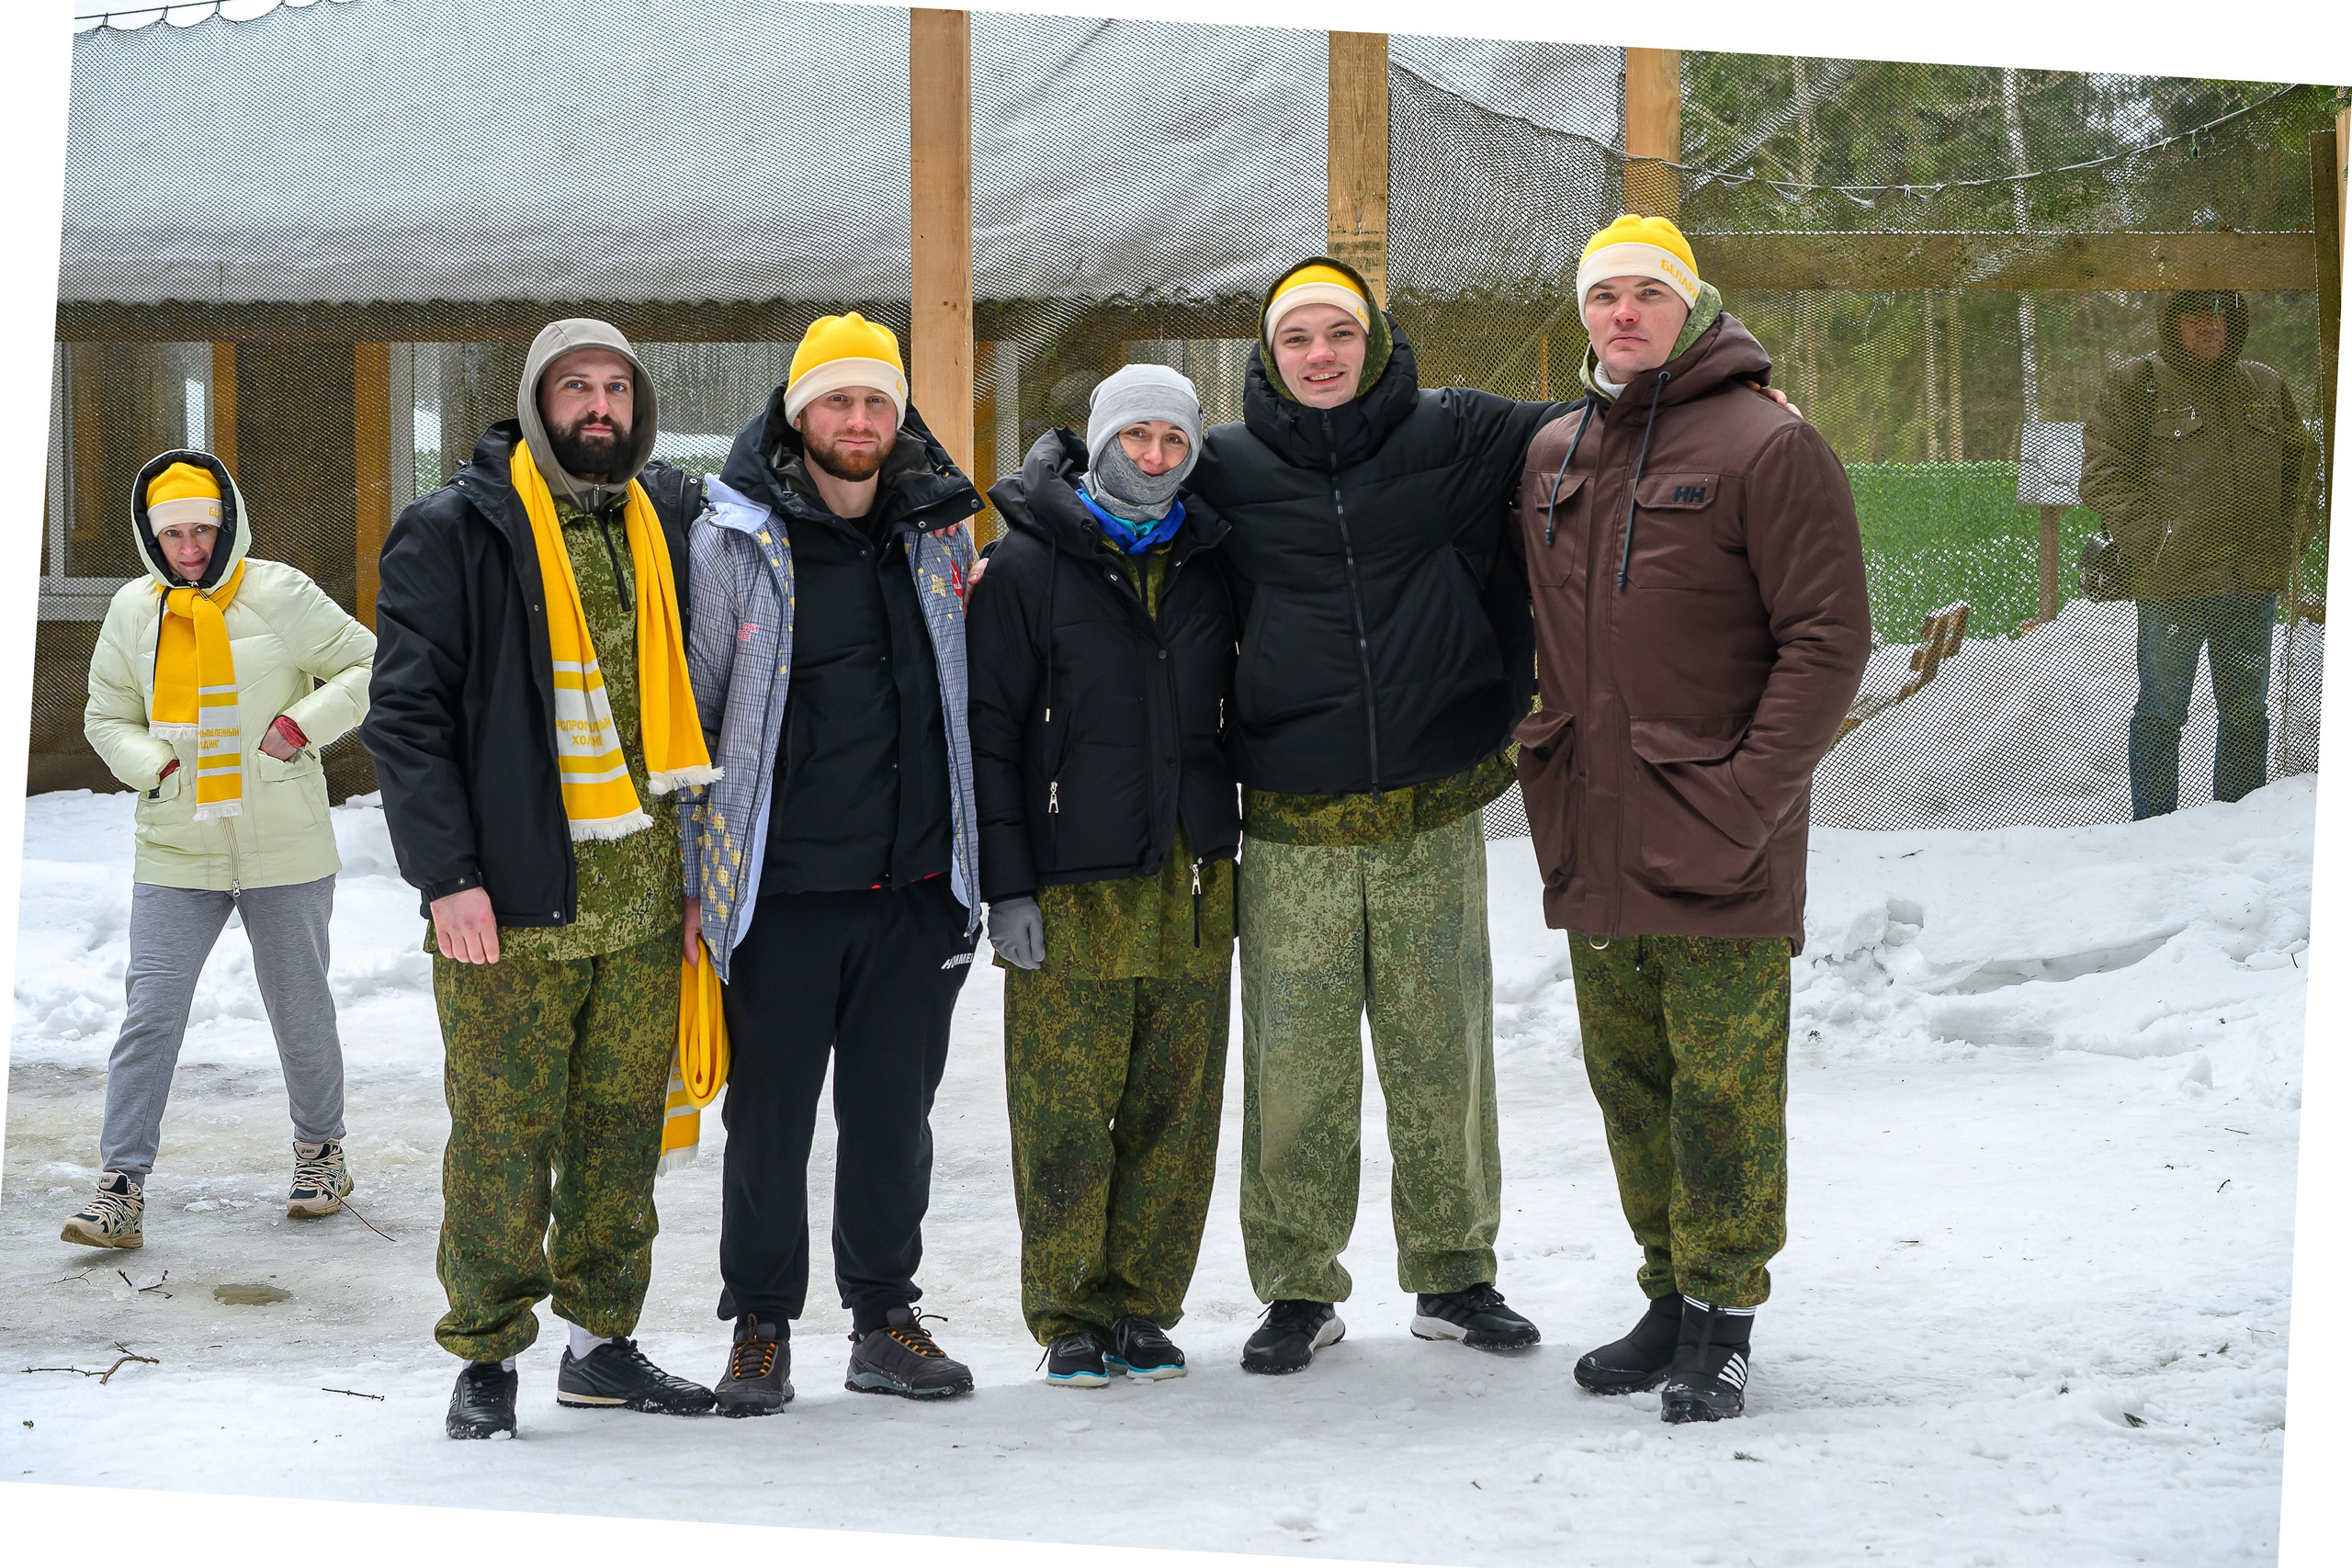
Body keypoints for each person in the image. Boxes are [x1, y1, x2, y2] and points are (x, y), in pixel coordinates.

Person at [1508, 214, 1871, 1422]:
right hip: (1596, 834)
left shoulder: (1770, 445)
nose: (1623, 314)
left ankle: (1723, 1316)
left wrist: (1746, 800)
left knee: (1724, 1087)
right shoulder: (1556, 449)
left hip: (1717, 835)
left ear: (1690, 304)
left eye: (1646, 295)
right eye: (1603, 295)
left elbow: (1826, 642)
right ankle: (1665, 1292)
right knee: (1631, 1078)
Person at [1184, 255, 1560, 1374]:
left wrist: (1734, 401)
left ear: (1376, 339)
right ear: (1268, 354)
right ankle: (1299, 1286)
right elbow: (1122, 484)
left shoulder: (1455, 431)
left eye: (1338, 332)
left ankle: (1455, 1274)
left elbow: (1597, 423)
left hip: (1430, 807)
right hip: (1291, 819)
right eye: (1296, 337)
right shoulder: (1226, 466)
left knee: (1440, 1050)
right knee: (1295, 1065)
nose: (1320, 355)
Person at [364, 319, 719, 1439]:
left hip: (640, 899)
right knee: (504, 1138)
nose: (599, 406)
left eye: (617, 387)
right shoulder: (453, 531)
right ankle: (486, 1353)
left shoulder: (662, 519)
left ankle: (600, 1345)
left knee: (621, 1133)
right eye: (577, 388)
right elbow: (406, 721)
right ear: (535, 402)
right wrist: (447, 877)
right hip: (511, 907)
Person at [682, 312, 985, 1416]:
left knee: (895, 1116)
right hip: (782, 893)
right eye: (836, 402)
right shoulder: (734, 543)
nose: (856, 422)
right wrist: (697, 884)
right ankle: (759, 1326)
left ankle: (882, 1320)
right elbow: (699, 722)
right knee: (769, 1121)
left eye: (875, 402)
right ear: (797, 413)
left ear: (897, 415)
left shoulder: (940, 532)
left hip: (912, 888)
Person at [968, 365, 1239, 1388]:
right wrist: (1008, 887)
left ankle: (1143, 1305)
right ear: (1099, 442)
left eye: (1174, 441)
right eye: (1137, 439)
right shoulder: (1027, 567)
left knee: (1178, 1108)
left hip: (1190, 883)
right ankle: (1071, 1311)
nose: (1156, 459)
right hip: (1071, 888)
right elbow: (989, 736)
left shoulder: (1211, 561)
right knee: (1064, 1114)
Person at [69, 451, 375, 1249]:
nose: (191, 547)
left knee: (300, 1011)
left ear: (226, 522)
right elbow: (107, 717)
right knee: (150, 1015)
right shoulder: (134, 611)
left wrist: (301, 724)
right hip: (176, 845)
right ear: (150, 535)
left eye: (202, 528)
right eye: (173, 533)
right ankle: (120, 1188)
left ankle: (321, 1154)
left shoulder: (278, 591)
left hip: (286, 843)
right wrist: (155, 765)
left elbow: (367, 663)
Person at [2080, 288, 2320, 820]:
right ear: (2172, 323)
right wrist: (2157, 542)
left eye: (2218, 315)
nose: (2209, 327)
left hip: (2250, 586)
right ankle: (2156, 829)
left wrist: (2287, 542)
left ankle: (2233, 831)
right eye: (2194, 317)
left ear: (2234, 321)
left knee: (2246, 716)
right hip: (2173, 588)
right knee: (2162, 714)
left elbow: (2303, 473)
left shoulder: (2265, 385)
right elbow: (2101, 474)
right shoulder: (2136, 383)